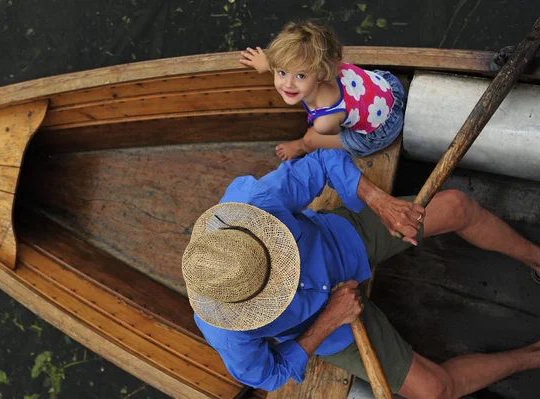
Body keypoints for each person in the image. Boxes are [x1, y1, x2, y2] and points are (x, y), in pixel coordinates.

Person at [181, 149, 540, 397]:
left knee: (456, 206)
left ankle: (536, 258)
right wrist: (327, 321)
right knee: (436, 391)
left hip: (342, 241)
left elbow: (322, 163)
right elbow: (268, 374)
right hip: (331, 329)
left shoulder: (254, 202)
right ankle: (531, 357)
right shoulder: (226, 332)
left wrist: (379, 202)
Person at [240, 20, 406, 161]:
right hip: (390, 87)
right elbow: (292, 66)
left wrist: (311, 137)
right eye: (281, 72)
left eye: (301, 76)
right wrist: (268, 65)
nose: (288, 84)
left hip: (381, 131)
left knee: (311, 139)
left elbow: (338, 131)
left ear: (320, 73)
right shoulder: (326, 64)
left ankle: (299, 147)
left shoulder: (324, 121)